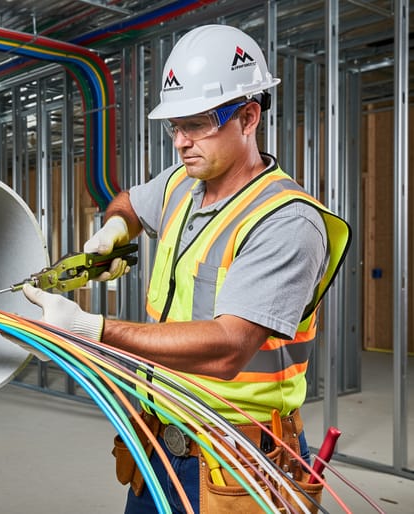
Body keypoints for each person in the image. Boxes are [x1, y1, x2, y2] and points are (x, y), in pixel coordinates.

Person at [21, 24, 350, 513]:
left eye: (195, 124)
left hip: (237, 462)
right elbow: (131, 201)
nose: (180, 141)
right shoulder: (183, 182)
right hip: (159, 443)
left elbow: (228, 349)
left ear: (248, 116)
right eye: (174, 126)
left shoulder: (287, 221)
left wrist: (92, 329)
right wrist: (112, 232)